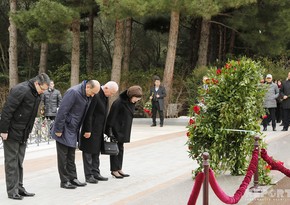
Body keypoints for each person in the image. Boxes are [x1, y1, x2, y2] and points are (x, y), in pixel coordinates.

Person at [0, 73, 50, 200]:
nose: (43, 92)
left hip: (24, 132)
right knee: (11, 162)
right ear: (36, 83)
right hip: (12, 131)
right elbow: (7, 110)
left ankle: (20, 188)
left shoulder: (36, 93)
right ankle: (12, 191)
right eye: (42, 89)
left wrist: (28, 131)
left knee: (19, 162)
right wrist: (3, 130)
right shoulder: (20, 90)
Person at [51, 80, 100, 189]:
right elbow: (62, 111)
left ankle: (73, 178)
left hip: (73, 129)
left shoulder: (86, 95)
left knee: (71, 155)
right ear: (87, 87)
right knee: (63, 157)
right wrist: (58, 129)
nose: (93, 95)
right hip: (64, 128)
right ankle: (64, 181)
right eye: (92, 92)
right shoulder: (73, 92)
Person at [79, 81, 119, 184]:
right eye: (112, 92)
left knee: (96, 151)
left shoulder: (104, 96)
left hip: (99, 130)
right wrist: (87, 129)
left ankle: (96, 172)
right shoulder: (96, 95)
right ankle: (89, 175)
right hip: (90, 129)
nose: (112, 95)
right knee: (88, 152)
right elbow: (89, 114)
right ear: (106, 88)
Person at [105, 85, 143, 178]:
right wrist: (110, 131)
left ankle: (119, 168)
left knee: (120, 149)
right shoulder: (118, 102)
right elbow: (111, 117)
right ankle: (114, 170)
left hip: (124, 130)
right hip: (116, 129)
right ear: (131, 95)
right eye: (136, 98)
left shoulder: (131, 102)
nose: (137, 100)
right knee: (115, 150)